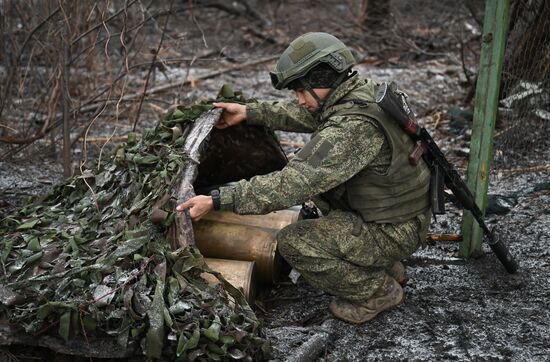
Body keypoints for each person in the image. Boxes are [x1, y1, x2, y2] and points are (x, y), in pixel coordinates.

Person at [176, 32, 431, 324]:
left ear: (322, 79)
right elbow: (303, 115)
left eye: (301, 91)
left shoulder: (351, 129)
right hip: (401, 215)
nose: (299, 101)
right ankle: (386, 264)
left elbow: (292, 184)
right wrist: (249, 112)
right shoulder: (361, 94)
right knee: (329, 202)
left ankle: (376, 291)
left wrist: (218, 199)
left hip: (393, 228)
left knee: (294, 242)